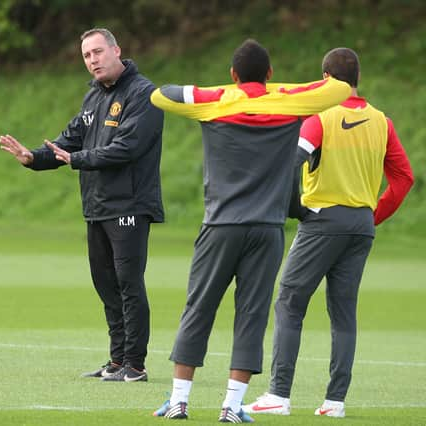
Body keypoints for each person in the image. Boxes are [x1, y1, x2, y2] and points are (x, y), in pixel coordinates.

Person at [149, 39, 352, 423]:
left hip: (221, 226)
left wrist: (232, 94)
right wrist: (275, 93)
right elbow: (338, 87)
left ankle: (178, 401)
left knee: (199, 308)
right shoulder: (291, 102)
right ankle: (231, 406)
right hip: (268, 229)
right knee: (252, 315)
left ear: (232, 75)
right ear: (271, 74)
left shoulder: (216, 102)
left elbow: (161, 95)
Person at [242, 47, 414, 419]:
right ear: (357, 80)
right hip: (360, 227)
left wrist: (294, 209)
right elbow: (404, 178)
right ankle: (335, 402)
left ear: (324, 80)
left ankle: (278, 394)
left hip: (322, 222)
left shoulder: (321, 116)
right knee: (343, 314)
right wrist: (372, 215)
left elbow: (291, 163)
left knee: (289, 301)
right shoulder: (382, 121)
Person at [0, 28, 164, 382]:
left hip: (130, 206)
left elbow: (127, 148)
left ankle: (135, 364)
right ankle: (117, 360)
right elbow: (68, 143)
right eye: (87, 55)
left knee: (128, 283)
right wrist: (33, 158)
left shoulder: (143, 94)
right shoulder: (93, 97)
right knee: (105, 284)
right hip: (97, 206)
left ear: (117, 50)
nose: (93, 60)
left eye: (98, 52)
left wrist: (78, 159)